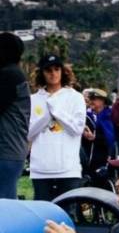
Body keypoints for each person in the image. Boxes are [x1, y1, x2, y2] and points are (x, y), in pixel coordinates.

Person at [27, 53, 86, 201]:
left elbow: (77, 129)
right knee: (41, 216)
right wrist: (47, 115)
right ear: (42, 73)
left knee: (67, 215)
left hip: (68, 169)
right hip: (40, 169)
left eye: (56, 69)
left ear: (62, 71)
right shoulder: (33, 99)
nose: (53, 73)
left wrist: (57, 112)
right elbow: (28, 133)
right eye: (48, 70)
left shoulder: (75, 97)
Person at [0, 32, 31, 198]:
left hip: (6, 152)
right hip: (12, 151)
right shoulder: (13, 74)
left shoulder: (9, 75)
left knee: (4, 205)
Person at [80, 89, 114, 188]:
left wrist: (94, 137)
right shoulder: (88, 116)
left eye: (94, 99)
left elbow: (111, 139)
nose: (91, 101)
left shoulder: (108, 116)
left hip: (103, 162)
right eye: (90, 99)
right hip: (89, 162)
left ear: (103, 101)